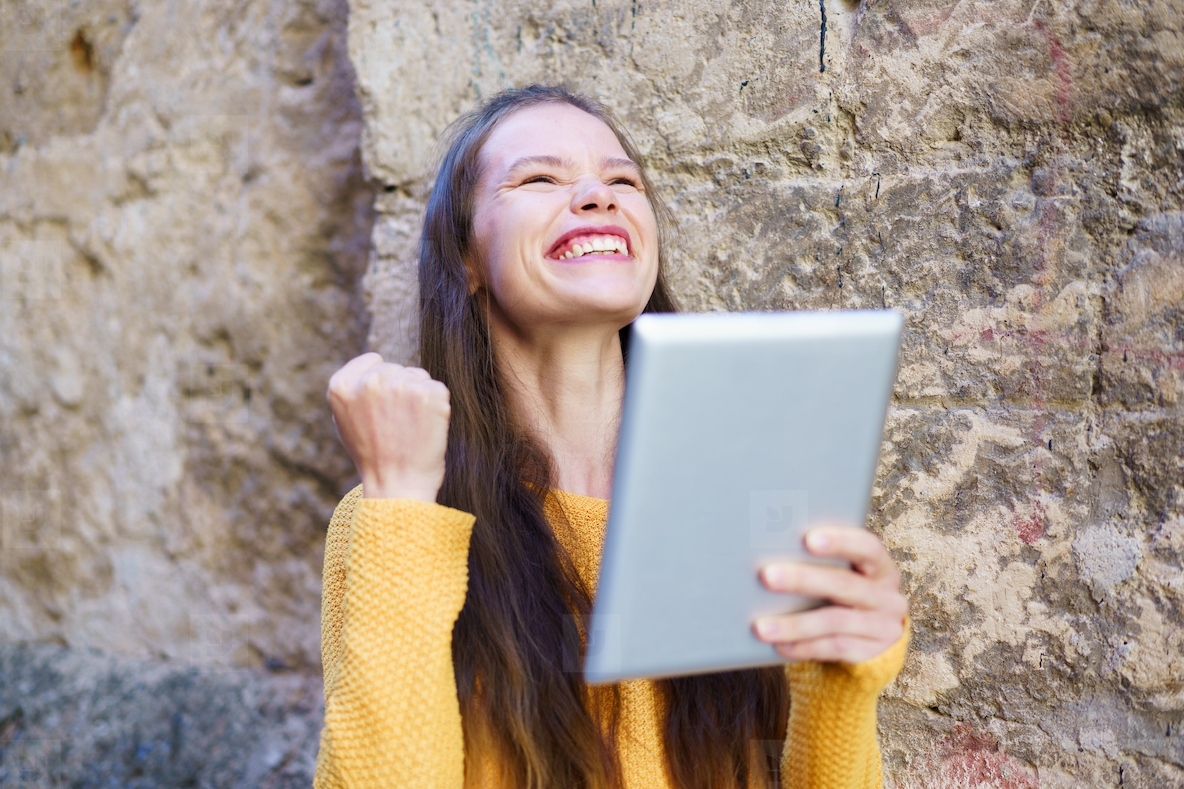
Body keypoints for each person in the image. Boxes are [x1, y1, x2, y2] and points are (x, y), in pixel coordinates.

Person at [314, 84, 910, 789]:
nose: (600, 195)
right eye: (539, 178)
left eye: (622, 179)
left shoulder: (749, 510)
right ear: (466, 260)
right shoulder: (395, 521)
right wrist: (402, 502)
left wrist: (842, 675)